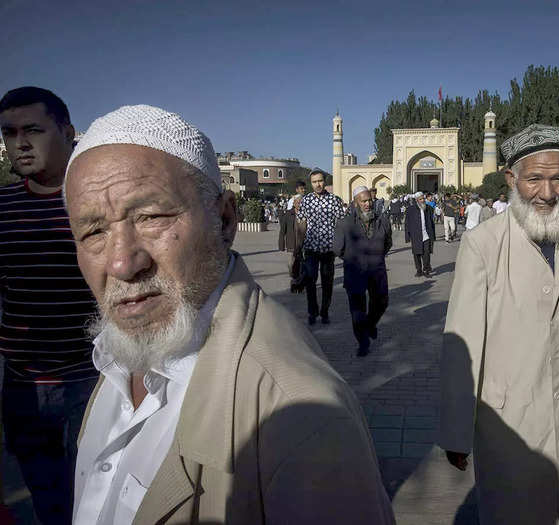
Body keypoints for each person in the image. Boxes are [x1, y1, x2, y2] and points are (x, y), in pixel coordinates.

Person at [66, 105, 395, 525]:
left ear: (224, 218)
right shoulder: (119, 354)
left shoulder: (300, 416)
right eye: (93, 231)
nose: (120, 263)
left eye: (150, 217)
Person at [440, 124, 559, 525]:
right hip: (511, 420)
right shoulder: (483, 244)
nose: (547, 193)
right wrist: (457, 431)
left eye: (558, 179)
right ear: (512, 178)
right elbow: (464, 341)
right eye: (534, 179)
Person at [0, 87, 99, 524]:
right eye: (9, 133)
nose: (19, 143)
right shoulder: (2, 209)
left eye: (33, 130)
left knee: (96, 503)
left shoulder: (96, 203)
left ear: (68, 131)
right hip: (23, 389)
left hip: (93, 382)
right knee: (50, 507)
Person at [334, 186, 392, 357]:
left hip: (377, 271)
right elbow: (338, 249)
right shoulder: (345, 223)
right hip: (355, 272)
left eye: (369, 200)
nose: (368, 204)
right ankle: (363, 341)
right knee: (357, 309)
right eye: (363, 201)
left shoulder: (383, 220)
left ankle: (370, 324)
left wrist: (376, 256)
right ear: (355, 202)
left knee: (382, 302)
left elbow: (388, 243)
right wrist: (353, 259)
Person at [298, 169, 345, 325]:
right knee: (310, 281)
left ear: (325, 181)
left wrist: (341, 245)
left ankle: (324, 311)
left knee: (327, 282)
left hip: (328, 249)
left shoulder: (334, 200)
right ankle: (312, 312)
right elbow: (302, 223)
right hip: (311, 247)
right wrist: (298, 246)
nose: (317, 184)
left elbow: (341, 224)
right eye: (314, 182)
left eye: (320, 181)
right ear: (311, 183)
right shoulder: (306, 200)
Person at [279, 194, 305, 293]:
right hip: (291, 244)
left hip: (303, 244)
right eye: (297, 202)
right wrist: (281, 244)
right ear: (294, 203)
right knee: (292, 264)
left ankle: (299, 282)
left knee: (303, 265)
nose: (299, 204)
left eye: (301, 203)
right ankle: (295, 279)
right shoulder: (288, 214)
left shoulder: (306, 214)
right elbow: (282, 230)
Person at [405, 192, 436, 277]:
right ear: (416, 200)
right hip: (415, 235)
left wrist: (433, 235)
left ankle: (426, 269)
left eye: (423, 199)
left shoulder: (429, 208)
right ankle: (419, 270)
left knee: (426, 253)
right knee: (417, 254)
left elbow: (431, 222)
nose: (423, 200)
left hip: (426, 235)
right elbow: (407, 223)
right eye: (420, 199)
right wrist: (407, 236)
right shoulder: (410, 210)